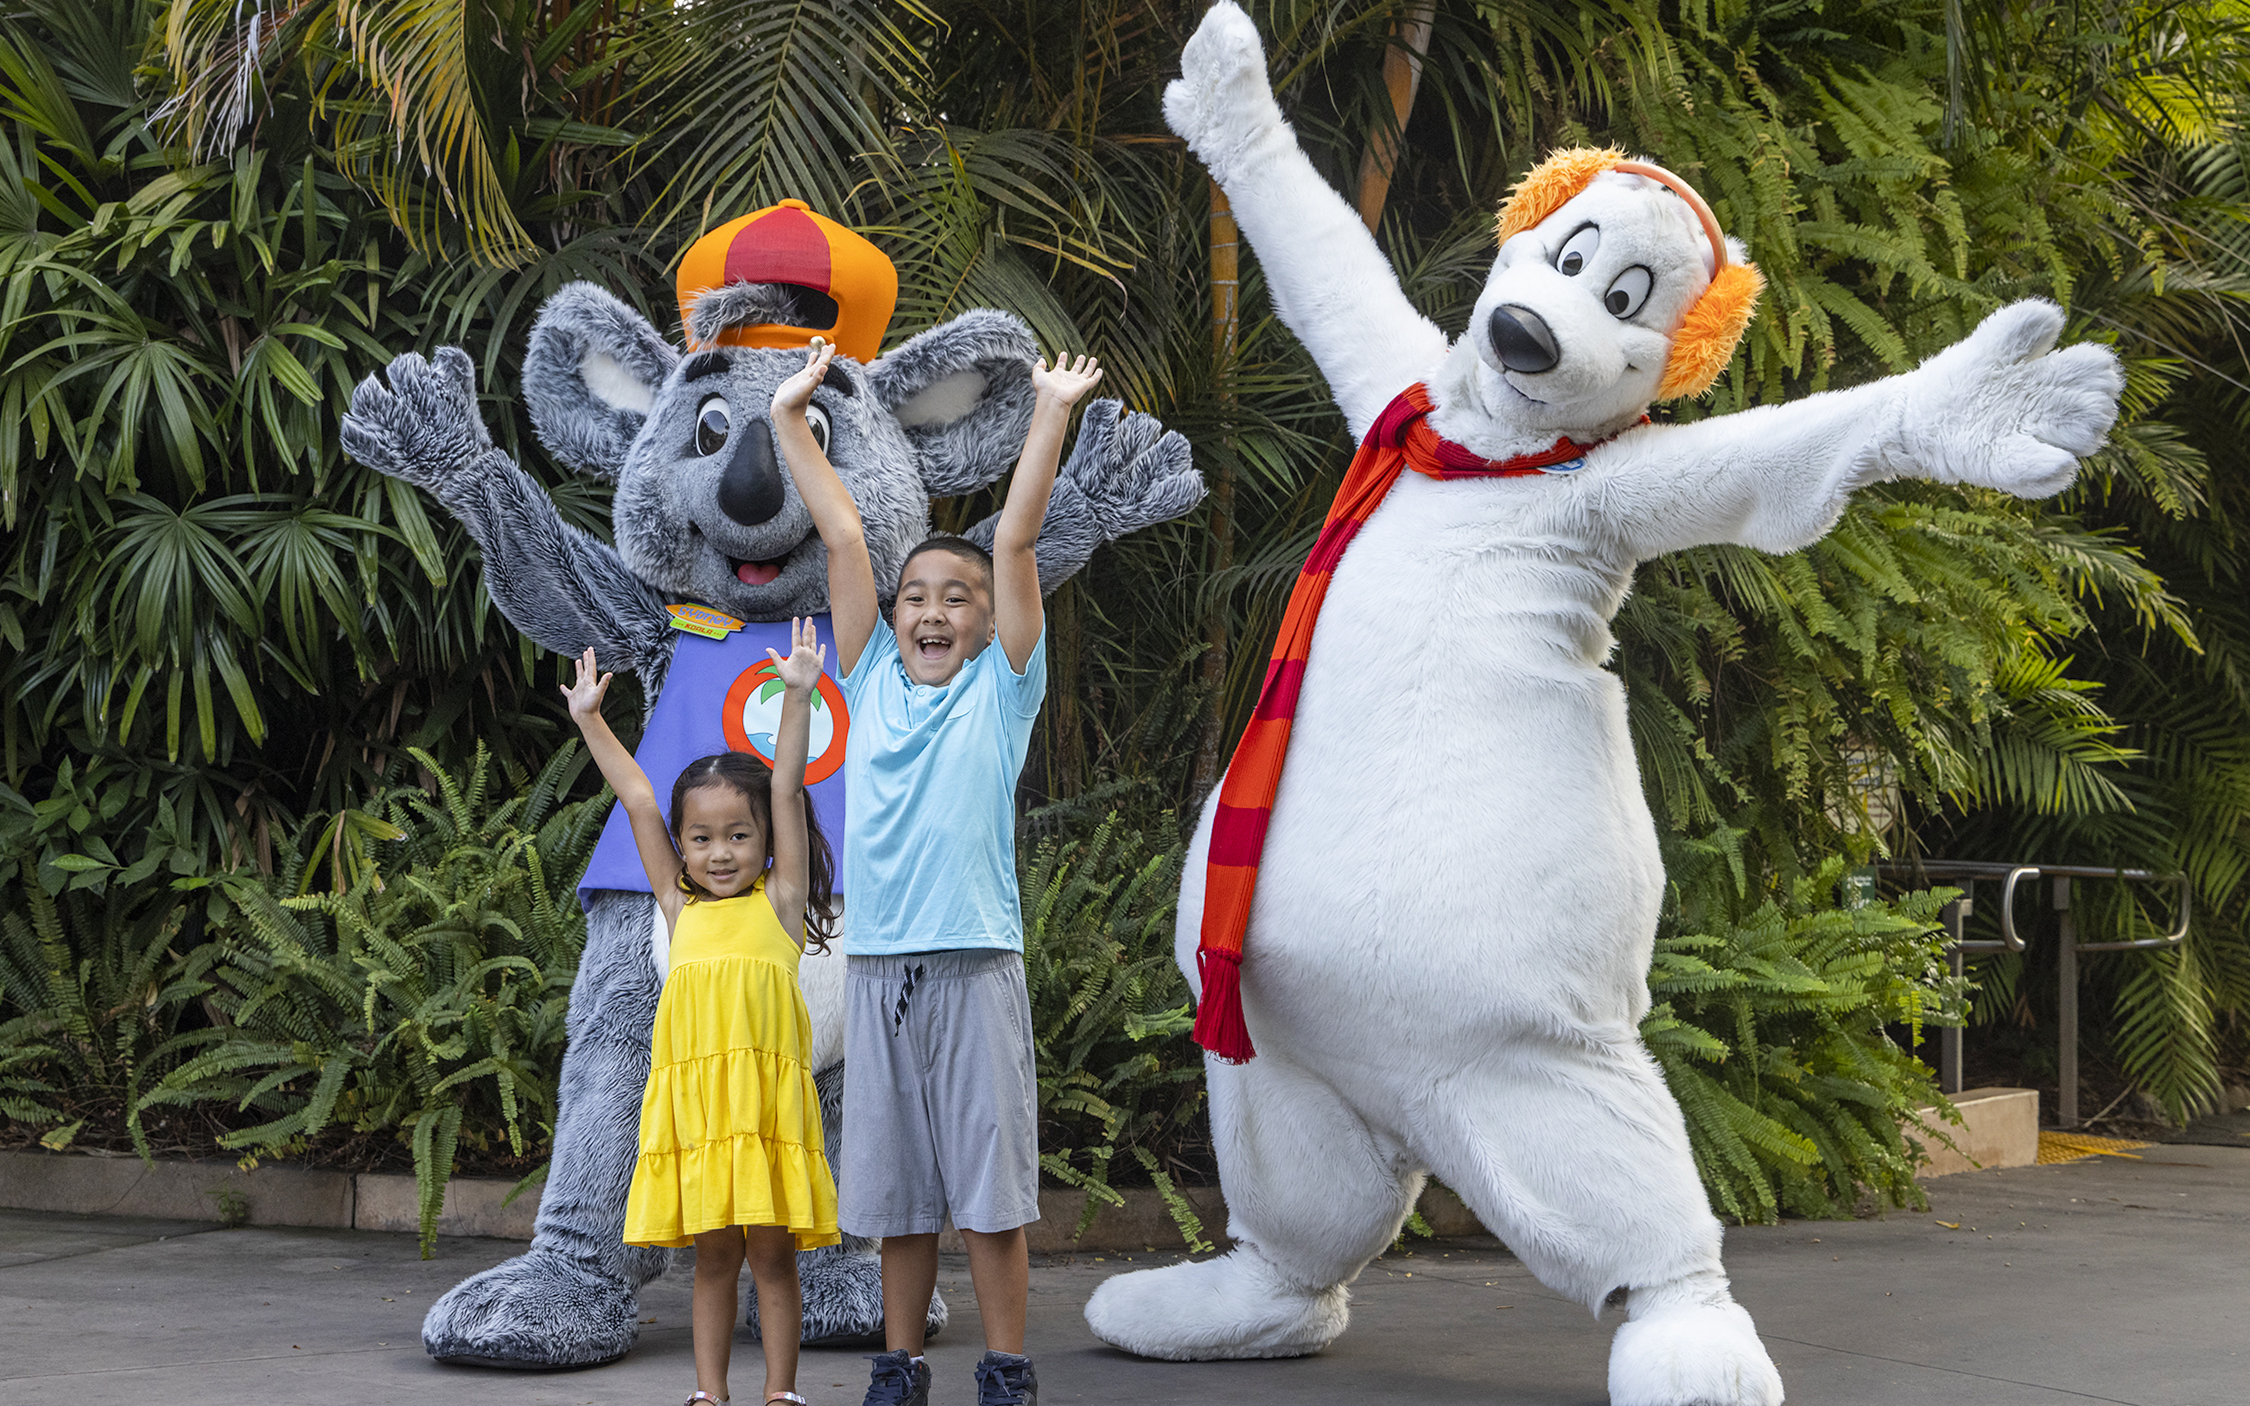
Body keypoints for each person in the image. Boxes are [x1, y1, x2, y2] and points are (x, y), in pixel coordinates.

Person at [770, 339, 1104, 1406]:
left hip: (972, 966)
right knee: (901, 1197)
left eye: (953, 598)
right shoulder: (866, 678)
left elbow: (1012, 540)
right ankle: (899, 1366)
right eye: (917, 594)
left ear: (984, 620)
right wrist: (788, 419)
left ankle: (1005, 1371)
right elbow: (843, 532)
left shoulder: (1000, 690)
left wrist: (1049, 410)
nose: (929, 609)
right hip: (878, 971)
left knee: (991, 1197)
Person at [561, 621, 842, 1406]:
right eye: (703, 839)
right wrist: (590, 717)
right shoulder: (677, 905)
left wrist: (798, 693)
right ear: (680, 849)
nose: (722, 853)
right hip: (699, 1116)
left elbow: (785, 785)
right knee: (714, 1259)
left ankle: (781, 1394)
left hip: (764, 1115)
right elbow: (639, 794)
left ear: (766, 844)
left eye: (739, 836)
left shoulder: (783, 903)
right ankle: (709, 1394)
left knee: (774, 1259)